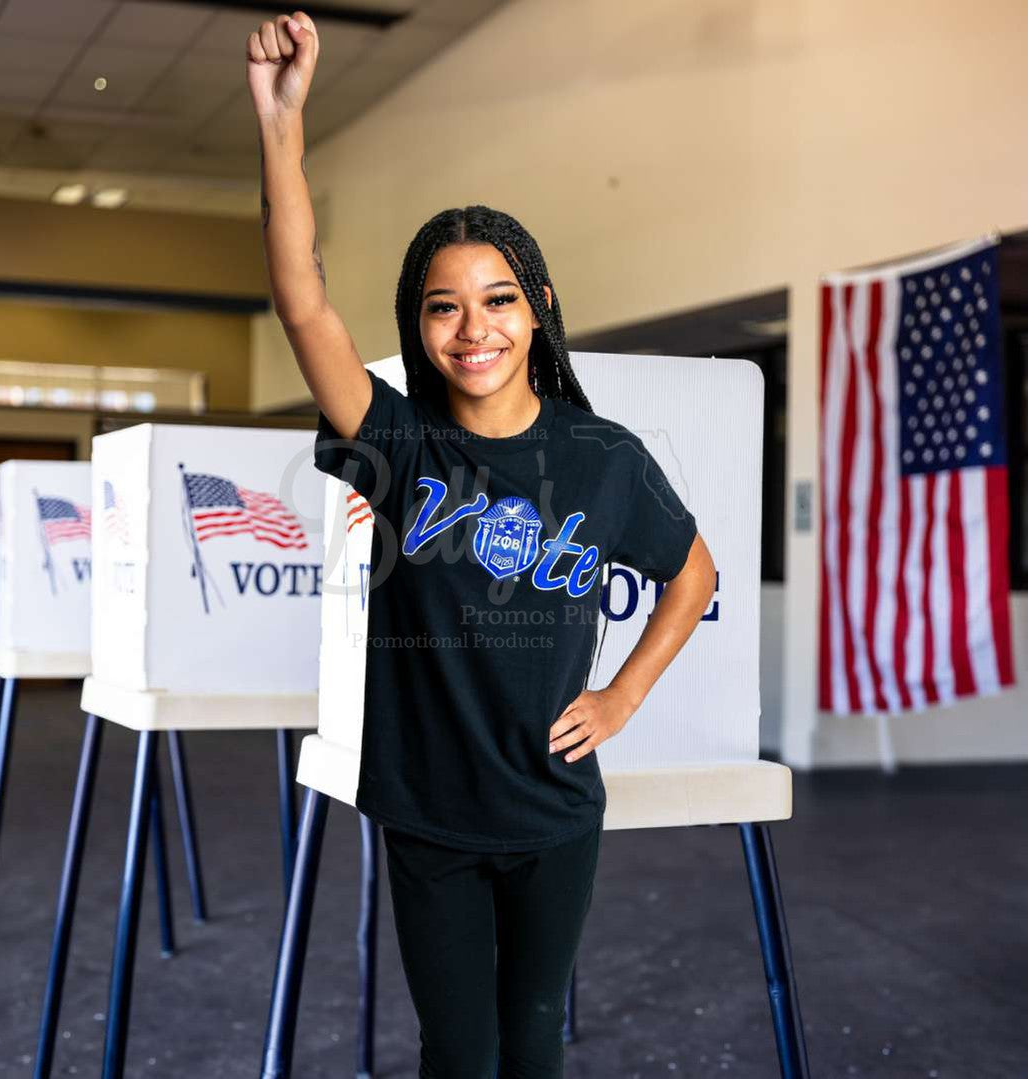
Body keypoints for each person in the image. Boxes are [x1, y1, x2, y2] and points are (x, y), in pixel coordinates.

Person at [247, 13, 716, 1077]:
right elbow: (300, 301)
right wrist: (281, 126)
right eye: (442, 308)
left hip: (552, 806)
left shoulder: (602, 456)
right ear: (416, 329)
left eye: (498, 298)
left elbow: (691, 574)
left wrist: (621, 697)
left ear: (537, 307)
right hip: (429, 807)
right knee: (455, 1050)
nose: (474, 328)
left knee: (532, 1038)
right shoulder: (399, 444)